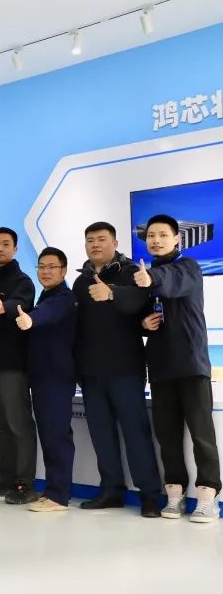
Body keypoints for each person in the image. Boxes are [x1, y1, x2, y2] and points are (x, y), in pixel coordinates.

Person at [72, 222, 161, 518]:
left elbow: (142, 302)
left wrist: (111, 292)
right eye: (90, 240)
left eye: (101, 239)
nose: (95, 245)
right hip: (91, 372)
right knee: (101, 434)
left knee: (136, 433)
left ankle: (149, 495)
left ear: (115, 242)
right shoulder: (80, 282)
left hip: (126, 369)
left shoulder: (131, 272)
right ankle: (111, 489)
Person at [136, 214, 221, 522]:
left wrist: (151, 280)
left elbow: (172, 281)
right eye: (151, 236)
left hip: (191, 365)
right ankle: (175, 493)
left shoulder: (188, 267)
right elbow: (139, 312)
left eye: (162, 235)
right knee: (167, 436)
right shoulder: (144, 276)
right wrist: (144, 323)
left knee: (202, 435)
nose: (156, 240)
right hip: (161, 368)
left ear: (176, 239)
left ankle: (208, 496)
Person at [15, 247, 75, 511]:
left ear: (63, 271)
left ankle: (58, 495)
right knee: (50, 435)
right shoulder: (45, 295)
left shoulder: (63, 297)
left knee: (56, 435)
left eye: (52, 267)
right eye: (41, 266)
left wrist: (30, 319)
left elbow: (48, 312)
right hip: (42, 377)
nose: (46, 271)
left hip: (56, 377)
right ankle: (53, 491)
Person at [0, 227, 38, 504]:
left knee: (19, 425)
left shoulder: (22, 280)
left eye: (6, 244)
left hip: (13, 365)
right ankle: (5, 479)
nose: (0, 248)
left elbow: (21, 303)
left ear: (15, 249)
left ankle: (25, 484)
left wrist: (3, 307)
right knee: (2, 424)